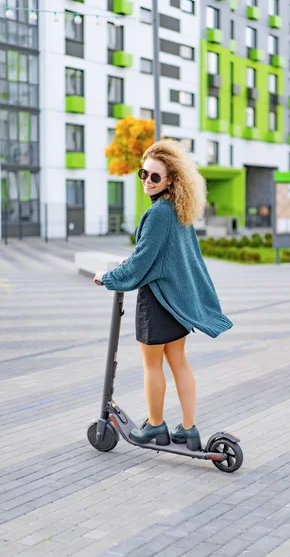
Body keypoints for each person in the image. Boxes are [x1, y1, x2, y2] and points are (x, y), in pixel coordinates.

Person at [94, 140, 232, 450]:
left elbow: (143, 263)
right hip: (177, 303)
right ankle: (188, 429)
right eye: (144, 173)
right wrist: (132, 261)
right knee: (179, 362)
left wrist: (108, 278)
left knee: (152, 365)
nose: (147, 180)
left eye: (155, 176)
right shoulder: (178, 210)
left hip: (158, 302)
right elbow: (162, 254)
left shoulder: (158, 213)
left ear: (171, 180)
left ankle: (156, 425)